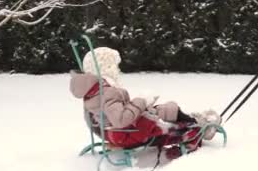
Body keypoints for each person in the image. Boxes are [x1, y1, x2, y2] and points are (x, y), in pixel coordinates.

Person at [73, 48, 222, 159]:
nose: (118, 69)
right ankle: (198, 128)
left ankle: (193, 119)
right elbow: (120, 120)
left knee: (160, 109)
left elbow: (110, 116)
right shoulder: (107, 92)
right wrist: (141, 100)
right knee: (164, 126)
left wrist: (142, 105)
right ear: (106, 67)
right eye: (115, 66)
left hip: (116, 132)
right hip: (127, 134)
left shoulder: (93, 92)